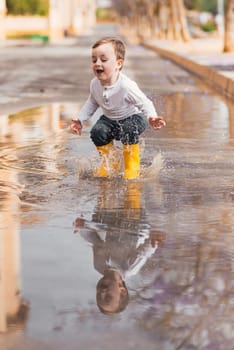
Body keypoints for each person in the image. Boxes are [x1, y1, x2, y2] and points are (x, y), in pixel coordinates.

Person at [70, 36, 166, 180]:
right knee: (98, 131)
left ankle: (132, 167)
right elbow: (91, 103)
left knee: (128, 129)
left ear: (118, 64)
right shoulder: (94, 84)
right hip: (110, 120)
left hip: (134, 118)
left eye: (103, 60)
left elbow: (144, 103)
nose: (97, 63)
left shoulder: (126, 86)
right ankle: (111, 161)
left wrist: (151, 117)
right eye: (94, 59)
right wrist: (80, 119)